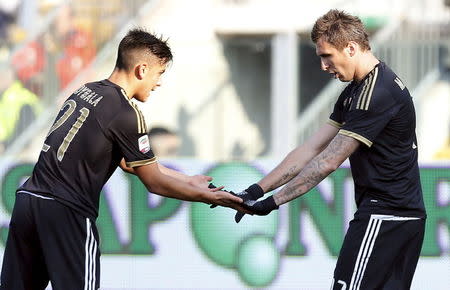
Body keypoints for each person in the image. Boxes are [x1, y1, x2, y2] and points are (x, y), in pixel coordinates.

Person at [0, 28, 245, 290]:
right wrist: (208, 197)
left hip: (30, 201)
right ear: (141, 70)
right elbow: (154, 183)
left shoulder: (85, 91)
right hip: (66, 212)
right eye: (159, 73)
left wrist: (188, 180)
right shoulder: (125, 112)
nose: (158, 82)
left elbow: (131, 163)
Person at [234, 10, 426, 290]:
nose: (324, 66)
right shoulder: (356, 91)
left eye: (327, 56)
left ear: (351, 48)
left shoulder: (376, 93)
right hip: (399, 216)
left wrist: (272, 203)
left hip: (385, 217)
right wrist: (256, 191)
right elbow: (312, 147)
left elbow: (328, 161)